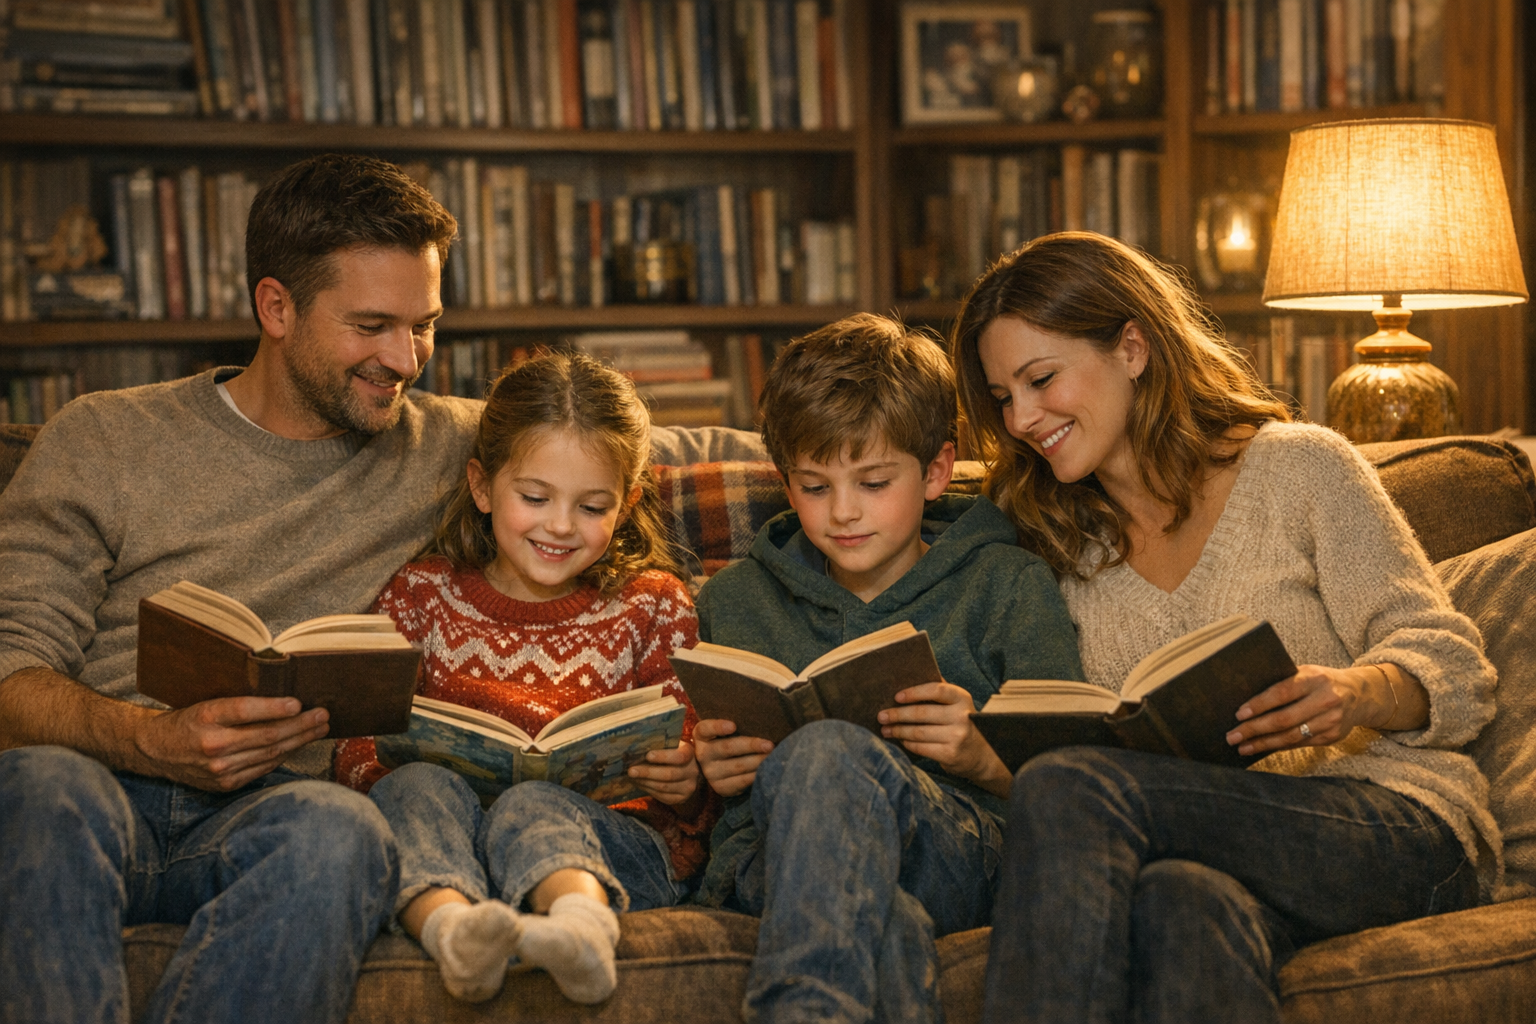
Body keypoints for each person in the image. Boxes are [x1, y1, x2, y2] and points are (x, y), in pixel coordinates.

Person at [0, 152, 760, 1024]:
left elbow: (599, 449)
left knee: (344, 833)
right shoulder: (103, 439)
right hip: (98, 787)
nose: (405, 360)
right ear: (276, 307)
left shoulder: (449, 444)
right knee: (37, 792)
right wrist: (146, 738)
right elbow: (9, 670)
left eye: (424, 324)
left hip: (281, 811)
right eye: (372, 326)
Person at [949, 231, 1499, 1024]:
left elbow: (1453, 666)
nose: (1023, 417)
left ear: (1132, 347)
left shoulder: (1299, 468)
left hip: (1393, 827)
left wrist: (1355, 692)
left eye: (1041, 380)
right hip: (1210, 855)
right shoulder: (1049, 537)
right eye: (1003, 398)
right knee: (1180, 903)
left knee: (1075, 784)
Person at [690, 313, 1084, 1024]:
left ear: (936, 470)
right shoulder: (734, 600)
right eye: (813, 487)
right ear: (785, 481)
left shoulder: (1009, 587)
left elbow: (1080, 792)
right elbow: (703, 793)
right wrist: (712, 775)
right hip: (772, 859)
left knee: (834, 753)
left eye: (873, 482)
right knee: (886, 922)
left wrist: (984, 757)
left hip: (960, 853)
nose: (843, 512)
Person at [333, 352, 714, 1006]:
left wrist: (685, 780)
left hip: (613, 853)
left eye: (592, 506)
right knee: (417, 783)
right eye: (535, 498)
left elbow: (694, 757)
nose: (561, 525)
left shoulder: (653, 604)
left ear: (625, 505)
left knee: (530, 806)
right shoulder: (424, 595)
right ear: (483, 488)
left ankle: (581, 931)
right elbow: (355, 739)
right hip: (451, 848)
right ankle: (456, 933)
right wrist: (388, 775)